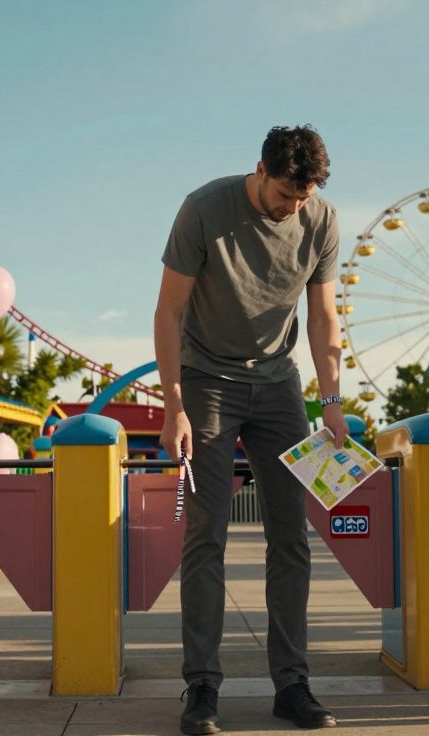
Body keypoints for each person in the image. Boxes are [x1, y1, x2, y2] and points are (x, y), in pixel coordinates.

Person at [154, 125, 344, 734]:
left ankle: (292, 685)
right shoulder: (205, 208)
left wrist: (332, 401)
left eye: (303, 196)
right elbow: (168, 310)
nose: (294, 207)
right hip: (206, 378)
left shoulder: (321, 220)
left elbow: (323, 317)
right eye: (286, 194)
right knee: (205, 533)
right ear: (258, 171)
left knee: (291, 536)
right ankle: (202, 689)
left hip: (280, 383)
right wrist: (173, 404)